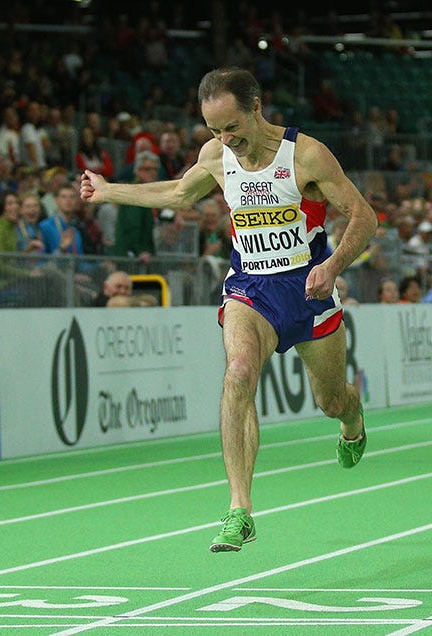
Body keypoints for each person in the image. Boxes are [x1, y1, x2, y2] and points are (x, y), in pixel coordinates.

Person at [80, 66, 378, 553]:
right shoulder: (216, 156)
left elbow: (365, 216)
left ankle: (353, 419)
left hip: (308, 287)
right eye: (214, 130)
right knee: (238, 373)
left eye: (232, 127)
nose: (225, 140)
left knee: (330, 400)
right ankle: (240, 509)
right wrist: (109, 191)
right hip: (250, 288)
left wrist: (335, 265)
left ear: (257, 108)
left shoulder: (307, 155)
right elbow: (179, 192)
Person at [94, 269, 158, 307]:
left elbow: (152, 301)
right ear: (105, 287)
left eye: (127, 288)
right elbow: (115, 303)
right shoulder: (100, 302)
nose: (122, 291)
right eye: (118, 286)